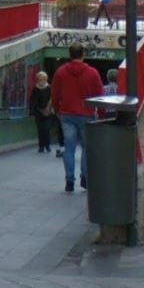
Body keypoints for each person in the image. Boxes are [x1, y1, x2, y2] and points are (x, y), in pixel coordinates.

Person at [50, 43, 104, 192]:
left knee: (69, 149)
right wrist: (101, 112)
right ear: (83, 55)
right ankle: (85, 178)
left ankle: (69, 180)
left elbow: (54, 94)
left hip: (67, 114)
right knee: (87, 148)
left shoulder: (60, 72)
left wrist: (57, 110)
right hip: (87, 114)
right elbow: (99, 94)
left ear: (69, 54)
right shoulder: (92, 73)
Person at [28, 71, 56, 153]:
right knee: (40, 129)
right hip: (38, 112)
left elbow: (53, 99)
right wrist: (32, 112)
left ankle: (47, 145)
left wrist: (51, 109)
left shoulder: (49, 88)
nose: (41, 81)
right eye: (40, 79)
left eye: (43, 79)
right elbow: (32, 102)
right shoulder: (35, 89)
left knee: (46, 129)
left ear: (46, 79)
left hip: (48, 112)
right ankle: (41, 146)